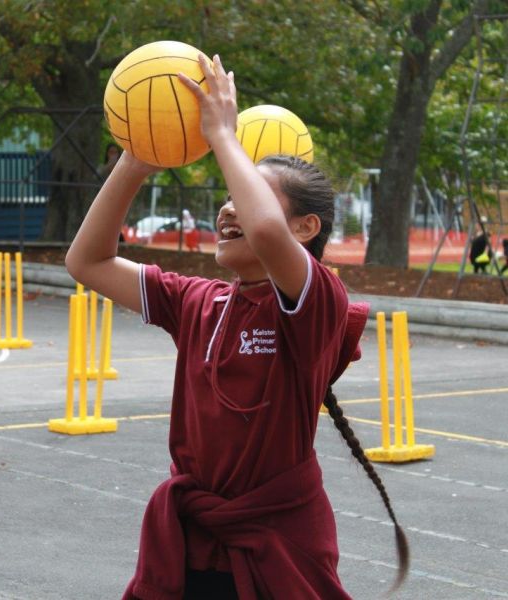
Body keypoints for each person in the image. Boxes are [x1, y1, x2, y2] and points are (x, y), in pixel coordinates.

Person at [66, 54, 408, 599]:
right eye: (228, 197)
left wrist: (223, 137)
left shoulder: (316, 301)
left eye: (247, 195)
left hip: (277, 545)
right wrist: (137, 157)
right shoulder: (198, 301)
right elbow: (87, 262)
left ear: (306, 227)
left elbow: (270, 234)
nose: (229, 208)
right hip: (195, 543)